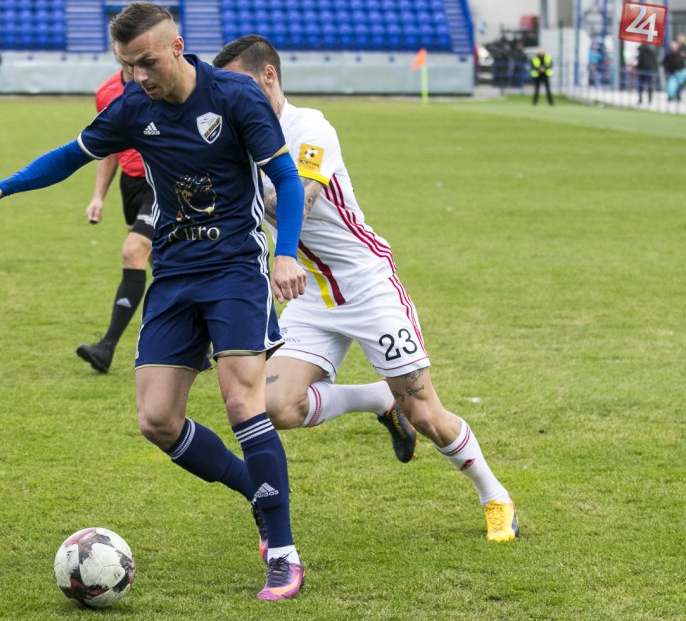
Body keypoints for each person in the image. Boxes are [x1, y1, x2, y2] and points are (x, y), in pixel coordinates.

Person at [0, 3, 309, 600]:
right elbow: (71, 155)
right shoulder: (132, 107)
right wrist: (2, 187)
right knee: (157, 420)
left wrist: (286, 253)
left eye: (146, 62)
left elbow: (287, 178)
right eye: (127, 65)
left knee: (241, 399)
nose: (138, 75)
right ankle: (256, 492)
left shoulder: (234, 97)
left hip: (234, 267)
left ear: (176, 46)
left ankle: (283, 553)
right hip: (173, 273)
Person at [213, 35, 520, 543]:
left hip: (367, 285)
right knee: (274, 405)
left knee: (426, 414)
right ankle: (378, 398)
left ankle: (495, 496)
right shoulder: (241, 142)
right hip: (312, 292)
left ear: (269, 75)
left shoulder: (309, 127)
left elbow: (302, 197)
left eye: (240, 85)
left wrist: (266, 232)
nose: (233, 99)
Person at [76, 60, 153, 373]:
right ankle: (198, 341)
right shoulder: (106, 92)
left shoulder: (160, 83)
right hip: (130, 184)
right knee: (162, 264)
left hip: (163, 181)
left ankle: (106, 346)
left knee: (134, 250)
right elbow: (106, 148)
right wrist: (98, 196)